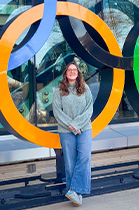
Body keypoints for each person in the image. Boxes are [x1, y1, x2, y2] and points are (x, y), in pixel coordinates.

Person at [52, 62, 93, 207]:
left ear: (78, 72)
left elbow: (89, 110)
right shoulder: (58, 91)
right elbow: (57, 112)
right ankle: (75, 194)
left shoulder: (85, 88)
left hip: (84, 129)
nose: (72, 72)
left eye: (74, 70)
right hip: (66, 131)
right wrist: (73, 127)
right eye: (69, 70)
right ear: (65, 73)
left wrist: (77, 125)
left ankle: (74, 191)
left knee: (84, 157)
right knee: (70, 163)